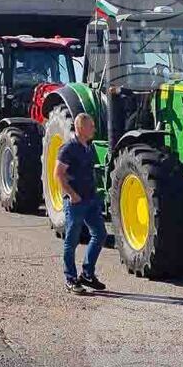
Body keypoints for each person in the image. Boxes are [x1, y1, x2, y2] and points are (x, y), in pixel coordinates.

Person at [55, 112, 107, 294]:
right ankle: (70, 279)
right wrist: (71, 194)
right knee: (72, 241)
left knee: (100, 234)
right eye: (90, 126)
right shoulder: (68, 148)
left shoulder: (88, 147)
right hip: (76, 202)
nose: (93, 128)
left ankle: (87, 274)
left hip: (91, 200)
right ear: (80, 128)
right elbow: (58, 174)